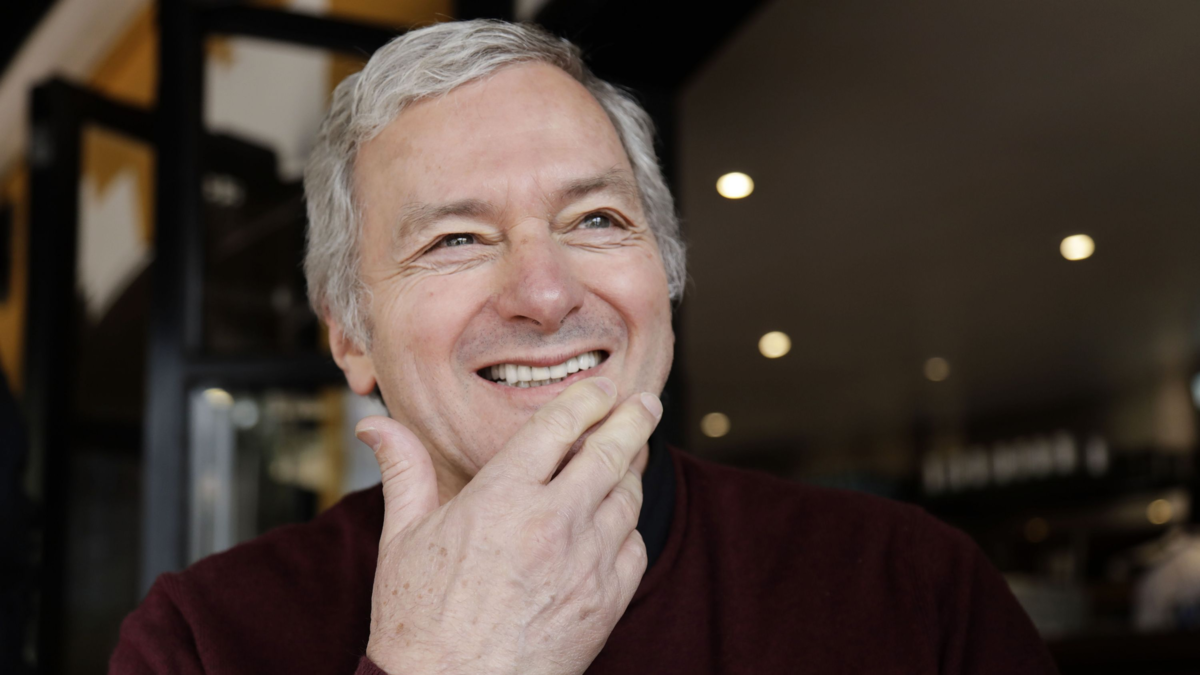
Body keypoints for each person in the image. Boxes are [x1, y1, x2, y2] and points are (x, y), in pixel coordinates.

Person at [110, 19, 1058, 674]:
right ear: (350, 333)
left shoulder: (911, 589)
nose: (546, 292)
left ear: (666, 275)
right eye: (456, 239)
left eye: (597, 219)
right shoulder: (201, 642)